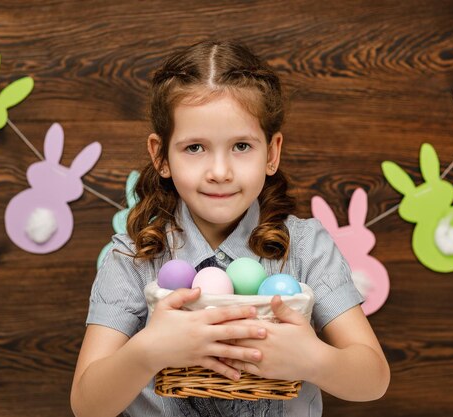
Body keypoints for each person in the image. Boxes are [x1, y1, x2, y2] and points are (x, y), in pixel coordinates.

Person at [71, 39, 390, 417]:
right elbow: (86, 405)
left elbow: (373, 379)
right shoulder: (134, 256)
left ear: (271, 153)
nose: (220, 172)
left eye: (241, 146)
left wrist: (313, 359)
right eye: (194, 148)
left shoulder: (305, 247)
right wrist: (148, 350)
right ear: (161, 156)